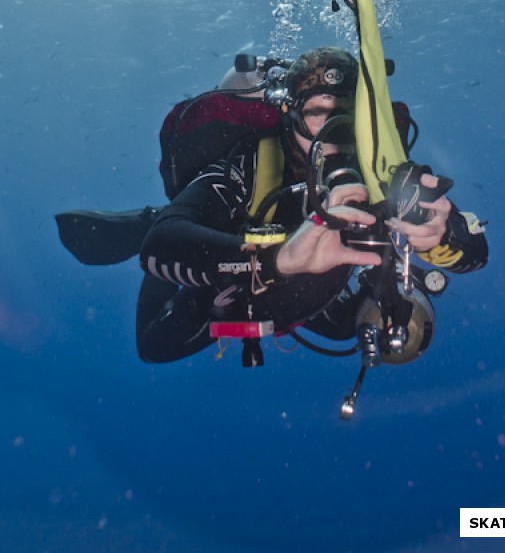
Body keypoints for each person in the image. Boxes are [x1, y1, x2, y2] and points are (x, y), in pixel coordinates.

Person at [136, 47, 487, 365]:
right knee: (156, 344)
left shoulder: (383, 172)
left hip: (314, 296)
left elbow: (475, 254)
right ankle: (159, 214)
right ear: (291, 117)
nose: (334, 133)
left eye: (348, 116)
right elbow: (160, 243)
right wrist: (275, 261)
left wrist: (442, 237)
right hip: (234, 290)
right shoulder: (253, 164)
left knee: (345, 329)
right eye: (317, 114)